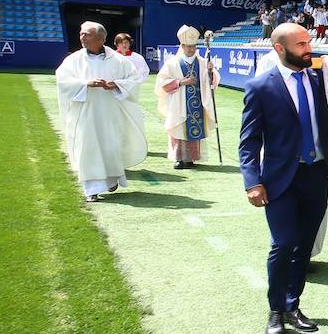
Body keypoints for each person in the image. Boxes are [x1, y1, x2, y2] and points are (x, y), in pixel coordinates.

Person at [239, 23, 328, 334]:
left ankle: (292, 303)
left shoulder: (321, 79)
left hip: (317, 175)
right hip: (281, 180)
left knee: (303, 246)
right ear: (280, 49)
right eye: (301, 43)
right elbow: (249, 142)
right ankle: (275, 313)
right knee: (283, 244)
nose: (309, 47)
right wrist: (252, 182)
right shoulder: (260, 87)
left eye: (309, 41)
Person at [55, 21, 148, 203]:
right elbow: (62, 81)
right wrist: (85, 84)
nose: (82, 37)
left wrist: (117, 84)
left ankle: (110, 179)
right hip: (85, 113)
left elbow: (134, 79)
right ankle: (91, 189)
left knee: (110, 145)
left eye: (87, 34)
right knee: (87, 147)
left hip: (110, 113)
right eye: (81, 33)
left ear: (101, 38)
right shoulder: (74, 60)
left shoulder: (118, 60)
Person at [154, 26, 220, 170]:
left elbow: (211, 82)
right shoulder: (172, 63)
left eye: (193, 46)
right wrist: (181, 82)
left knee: (194, 127)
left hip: (197, 100)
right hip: (178, 100)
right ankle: (179, 158)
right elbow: (162, 82)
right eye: (188, 46)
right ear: (182, 46)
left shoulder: (202, 62)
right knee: (178, 127)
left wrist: (210, 72)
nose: (191, 49)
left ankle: (190, 158)